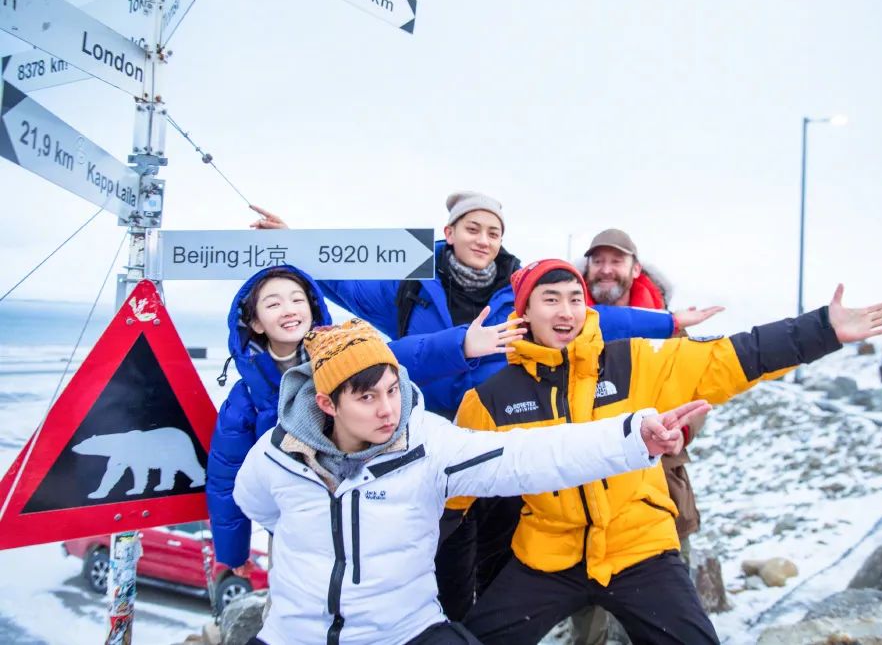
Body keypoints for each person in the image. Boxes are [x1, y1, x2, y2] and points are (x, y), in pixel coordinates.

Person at [249, 194, 715, 616]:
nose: (483, 240)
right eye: (472, 228)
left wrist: (669, 321)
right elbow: (345, 284)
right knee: (441, 556)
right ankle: (442, 624)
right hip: (425, 443)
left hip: (501, 443)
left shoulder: (516, 290)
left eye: (493, 232)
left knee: (499, 554)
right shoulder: (411, 285)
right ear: (449, 232)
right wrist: (295, 244)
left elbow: (596, 319)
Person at [452, 259, 882, 644]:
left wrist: (823, 329)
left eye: (575, 298)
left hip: (640, 547)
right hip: (547, 554)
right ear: (525, 311)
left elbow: (732, 356)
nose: (566, 311)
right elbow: (454, 499)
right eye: (550, 299)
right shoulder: (491, 400)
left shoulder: (634, 361)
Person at [232, 319, 710, 645]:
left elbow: (528, 456)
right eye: (367, 398)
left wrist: (632, 437)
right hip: (293, 636)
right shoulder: (277, 456)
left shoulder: (427, 445)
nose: (388, 410)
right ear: (327, 404)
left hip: (407, 633)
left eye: (393, 390)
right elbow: (255, 504)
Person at [206, 266, 512, 574]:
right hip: (296, 531)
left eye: (297, 300)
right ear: (255, 322)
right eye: (273, 304)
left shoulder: (350, 360)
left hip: (368, 516)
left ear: (313, 308)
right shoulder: (247, 398)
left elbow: (410, 354)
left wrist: (463, 344)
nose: (289, 310)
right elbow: (226, 476)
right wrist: (233, 552)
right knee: (294, 595)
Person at [574, 228, 724, 643]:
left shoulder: (670, 326)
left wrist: (682, 431)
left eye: (616, 260)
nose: (606, 269)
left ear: (635, 268)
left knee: (667, 613)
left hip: (660, 484)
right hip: (583, 486)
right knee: (587, 618)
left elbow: (698, 393)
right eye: (598, 261)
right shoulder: (567, 321)